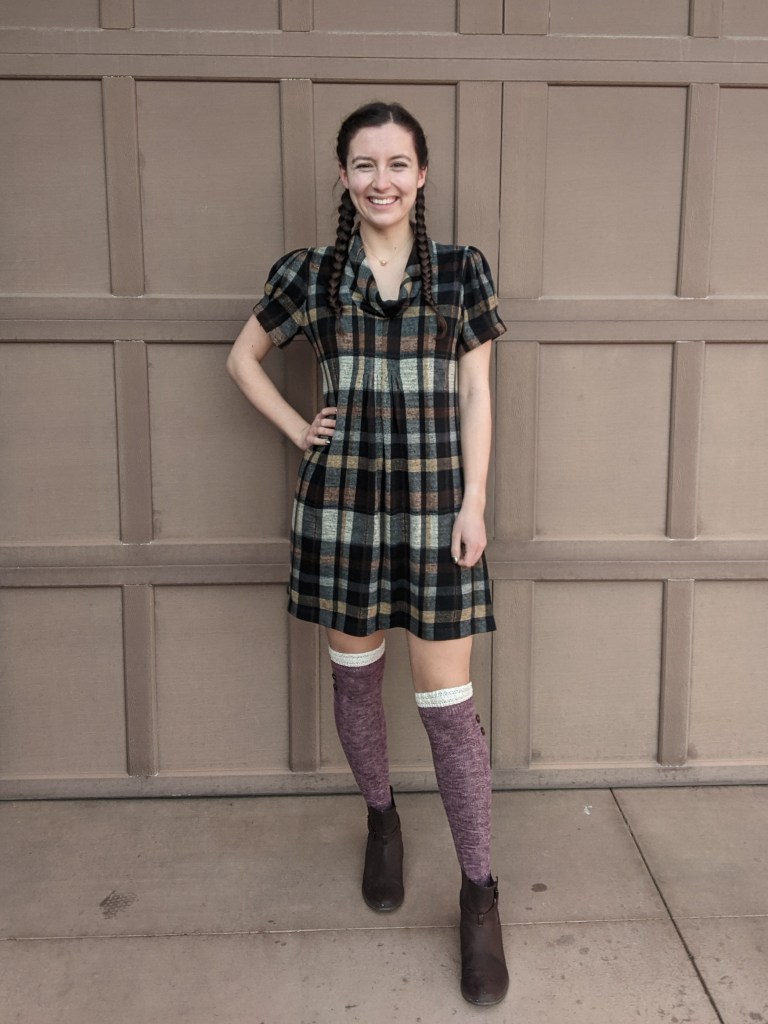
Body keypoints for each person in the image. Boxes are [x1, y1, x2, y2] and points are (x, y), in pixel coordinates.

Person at [227, 101, 508, 1006]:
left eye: (396, 164)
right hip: (342, 511)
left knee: (449, 711)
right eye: (363, 164)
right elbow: (243, 358)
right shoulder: (311, 273)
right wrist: (298, 428)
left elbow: (477, 392)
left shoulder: (460, 271)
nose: (380, 180)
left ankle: (479, 894)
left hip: (437, 515)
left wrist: (474, 501)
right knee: (356, 685)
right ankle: (382, 821)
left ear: (421, 175)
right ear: (343, 177)